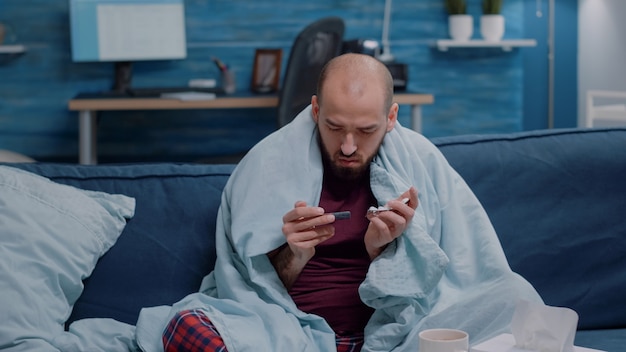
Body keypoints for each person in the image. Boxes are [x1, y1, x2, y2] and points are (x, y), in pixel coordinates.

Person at [137, 53, 542, 352]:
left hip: (401, 333)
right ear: (315, 110)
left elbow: (458, 276)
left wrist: (385, 252)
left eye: (365, 131)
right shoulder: (267, 163)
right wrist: (294, 254)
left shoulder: (421, 162)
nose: (348, 146)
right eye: (334, 127)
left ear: (391, 117)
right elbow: (248, 285)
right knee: (187, 325)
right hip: (289, 333)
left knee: (513, 295)